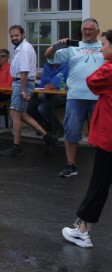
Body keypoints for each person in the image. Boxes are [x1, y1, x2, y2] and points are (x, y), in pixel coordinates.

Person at [61, 29, 112, 248]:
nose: (102, 49)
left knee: (98, 185)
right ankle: (83, 228)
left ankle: (83, 231)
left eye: (105, 45)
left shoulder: (108, 69)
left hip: (109, 137)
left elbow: (92, 81)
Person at [45, 18, 104, 178]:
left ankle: (104, 168)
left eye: (91, 29)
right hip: (76, 97)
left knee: (104, 134)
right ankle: (71, 165)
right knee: (71, 131)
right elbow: (49, 56)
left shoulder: (104, 47)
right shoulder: (73, 48)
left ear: (97, 31)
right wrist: (57, 45)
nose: (87, 32)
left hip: (100, 98)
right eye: (85, 29)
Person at [0, 25, 58, 157]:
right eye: (12, 36)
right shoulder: (21, 48)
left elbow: (24, 71)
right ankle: (47, 137)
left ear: (23, 35)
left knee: (15, 115)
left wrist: (23, 90)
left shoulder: (24, 49)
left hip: (22, 82)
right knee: (21, 114)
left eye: (16, 35)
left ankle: (17, 146)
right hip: (20, 82)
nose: (14, 38)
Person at [27, 61, 68, 135]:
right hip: (47, 96)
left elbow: (69, 83)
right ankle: (45, 125)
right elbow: (42, 83)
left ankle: (59, 127)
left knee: (42, 108)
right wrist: (34, 86)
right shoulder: (47, 67)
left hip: (61, 96)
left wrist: (55, 86)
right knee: (29, 106)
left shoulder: (66, 67)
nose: (51, 59)